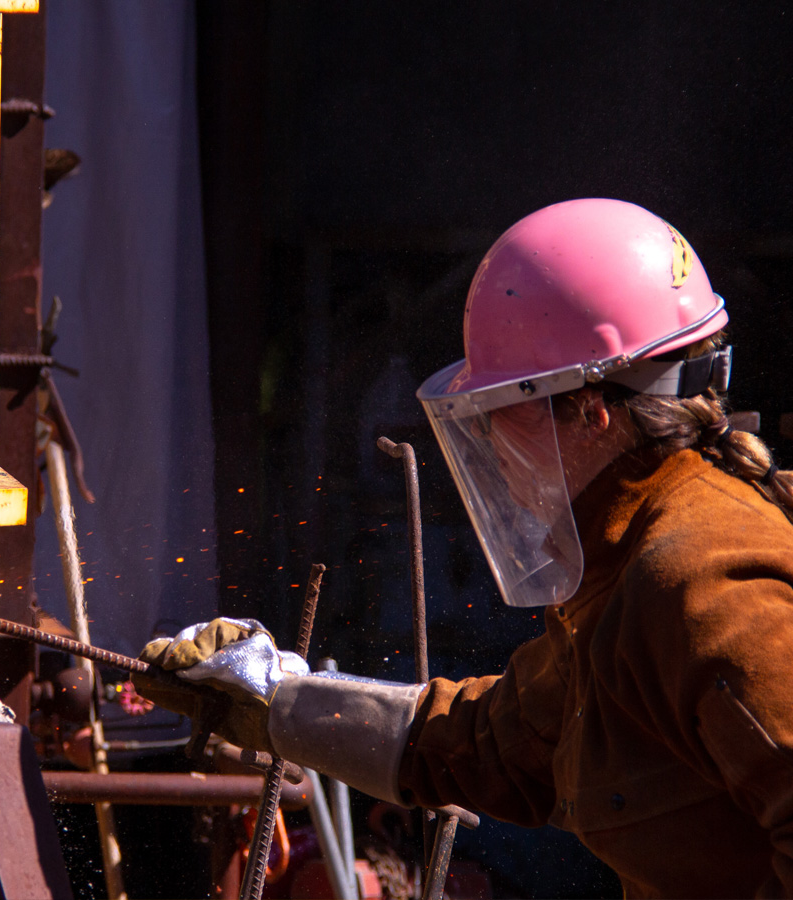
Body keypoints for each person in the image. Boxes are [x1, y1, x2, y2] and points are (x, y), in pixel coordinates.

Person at [135, 199, 793, 898]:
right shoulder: (626, 563)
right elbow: (498, 744)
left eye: (503, 415)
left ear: (592, 414)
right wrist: (282, 702)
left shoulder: (705, 584)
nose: (498, 455)